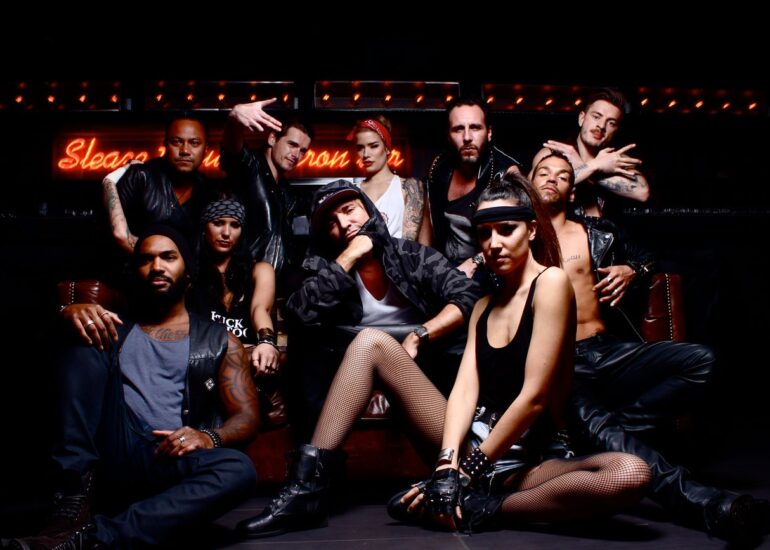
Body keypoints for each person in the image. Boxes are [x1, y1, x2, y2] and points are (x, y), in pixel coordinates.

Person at [236, 174, 651, 539]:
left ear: (530, 230)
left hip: (527, 460)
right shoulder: (484, 306)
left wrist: (466, 473)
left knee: (630, 472)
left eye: (506, 230)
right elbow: (465, 392)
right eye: (484, 234)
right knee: (370, 342)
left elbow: (535, 398)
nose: (494, 243)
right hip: (470, 442)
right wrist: (447, 465)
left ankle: (485, 508)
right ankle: (307, 491)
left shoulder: (552, 282)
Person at [532, 151, 769, 543]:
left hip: (607, 349)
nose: (552, 179)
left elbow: (648, 257)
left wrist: (632, 269)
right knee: (604, 430)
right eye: (543, 172)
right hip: (560, 363)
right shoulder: (517, 237)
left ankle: (600, 432)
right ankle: (712, 506)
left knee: (701, 362)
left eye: (562, 175)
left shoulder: (597, 231)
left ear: (572, 189)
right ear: (529, 182)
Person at [235, 179, 481, 538]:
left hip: (422, 374)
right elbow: (299, 313)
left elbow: (468, 296)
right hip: (354, 372)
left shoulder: (411, 255)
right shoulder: (326, 268)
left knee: (370, 341)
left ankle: (306, 491)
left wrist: (420, 335)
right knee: (319, 343)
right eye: (332, 222)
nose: (344, 223)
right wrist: (348, 257)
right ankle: (309, 486)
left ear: (372, 212)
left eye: (349, 210)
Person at [10, 226, 259, 549]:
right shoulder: (110, 327)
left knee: (239, 469)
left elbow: (246, 416)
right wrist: (68, 313)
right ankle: (73, 497)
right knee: (87, 329)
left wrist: (208, 437)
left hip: (166, 455)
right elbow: (36, 349)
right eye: (146, 259)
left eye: (168, 257)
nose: (157, 266)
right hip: (113, 444)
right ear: (135, 272)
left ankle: (92, 539)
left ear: (188, 271)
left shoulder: (220, 340)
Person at [426, 97, 522, 279]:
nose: (467, 137)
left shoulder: (505, 173)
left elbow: (516, 237)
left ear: (489, 133)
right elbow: (430, 224)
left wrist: (474, 262)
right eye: (458, 129)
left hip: (492, 272)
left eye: (475, 127)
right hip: (446, 269)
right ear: (448, 135)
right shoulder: (439, 168)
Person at [221, 98, 313, 277]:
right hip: (246, 280)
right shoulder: (251, 167)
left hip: (279, 285)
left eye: (303, 150)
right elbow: (233, 153)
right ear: (272, 138)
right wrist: (234, 120)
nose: (296, 155)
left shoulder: (286, 192)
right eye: (292, 145)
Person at [190, 198, 280, 376]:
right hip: (203, 362)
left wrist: (267, 341)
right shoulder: (190, 272)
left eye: (235, 225)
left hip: (247, 363)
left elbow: (260, 309)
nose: (226, 233)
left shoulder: (260, 270)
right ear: (204, 228)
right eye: (218, 223)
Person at [103, 113, 215, 253]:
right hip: (136, 264)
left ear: (206, 148)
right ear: (165, 145)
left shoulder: (209, 190)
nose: (185, 151)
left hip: (189, 267)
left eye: (194, 143)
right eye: (176, 142)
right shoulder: (141, 177)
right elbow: (111, 238)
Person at [531, 88, 650, 218]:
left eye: (611, 123)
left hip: (607, 230)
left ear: (616, 130)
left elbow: (642, 192)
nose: (601, 126)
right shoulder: (553, 153)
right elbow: (533, 193)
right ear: (582, 118)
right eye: (596, 117)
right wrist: (594, 166)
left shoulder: (617, 160)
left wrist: (587, 167)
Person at [349, 116, 432, 243]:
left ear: (387, 148)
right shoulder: (353, 192)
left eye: (373, 146)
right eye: (360, 148)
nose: (366, 154)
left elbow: (425, 245)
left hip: (404, 255)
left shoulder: (410, 188)